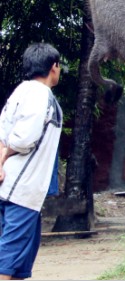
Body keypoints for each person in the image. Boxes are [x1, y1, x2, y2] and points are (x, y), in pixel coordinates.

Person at [0, 43, 63, 280]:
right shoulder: (39, 94)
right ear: (53, 67)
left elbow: (2, 133)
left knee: (20, 262)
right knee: (9, 256)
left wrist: (2, 158)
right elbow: (24, 138)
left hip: (16, 187)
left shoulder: (20, 91)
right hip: (22, 189)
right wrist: (5, 155)